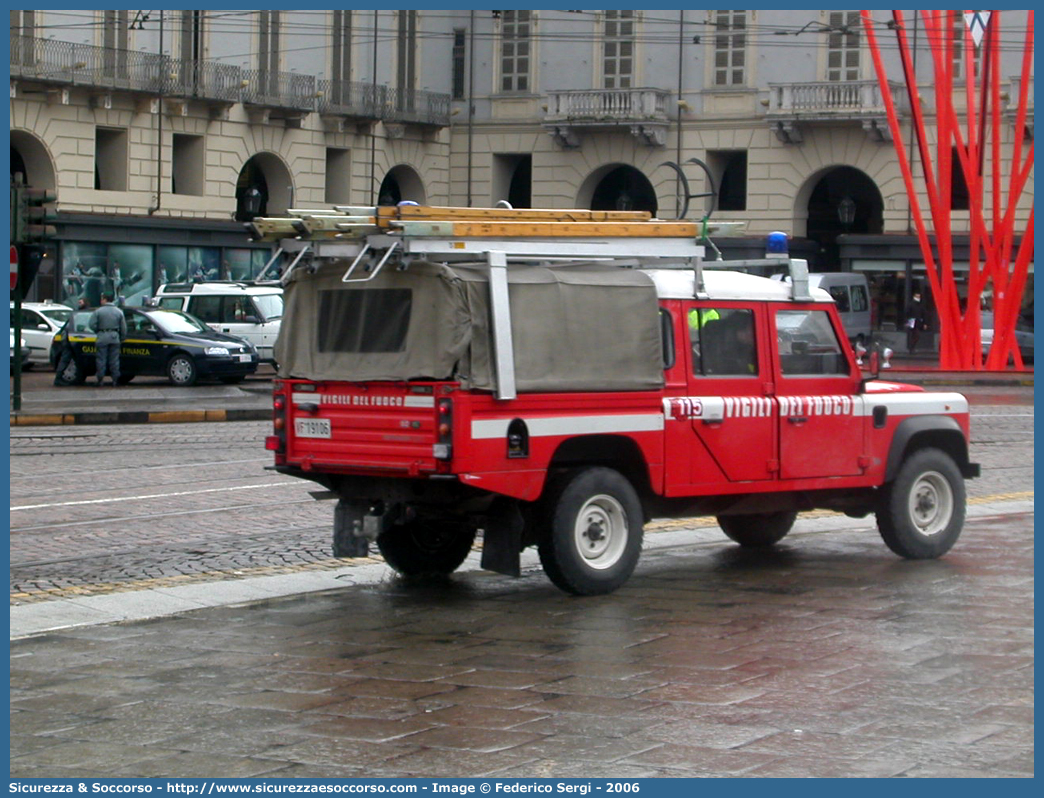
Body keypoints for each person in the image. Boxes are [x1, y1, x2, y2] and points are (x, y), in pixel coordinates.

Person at [88, 293, 126, 387]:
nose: (101, 300)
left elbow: (91, 324)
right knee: (114, 360)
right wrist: (121, 337)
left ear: (105, 299)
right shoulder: (119, 311)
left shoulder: (98, 311)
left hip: (102, 337)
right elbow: (123, 328)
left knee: (101, 359)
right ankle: (115, 380)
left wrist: (98, 331)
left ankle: (100, 379)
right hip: (114, 337)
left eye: (102, 298)